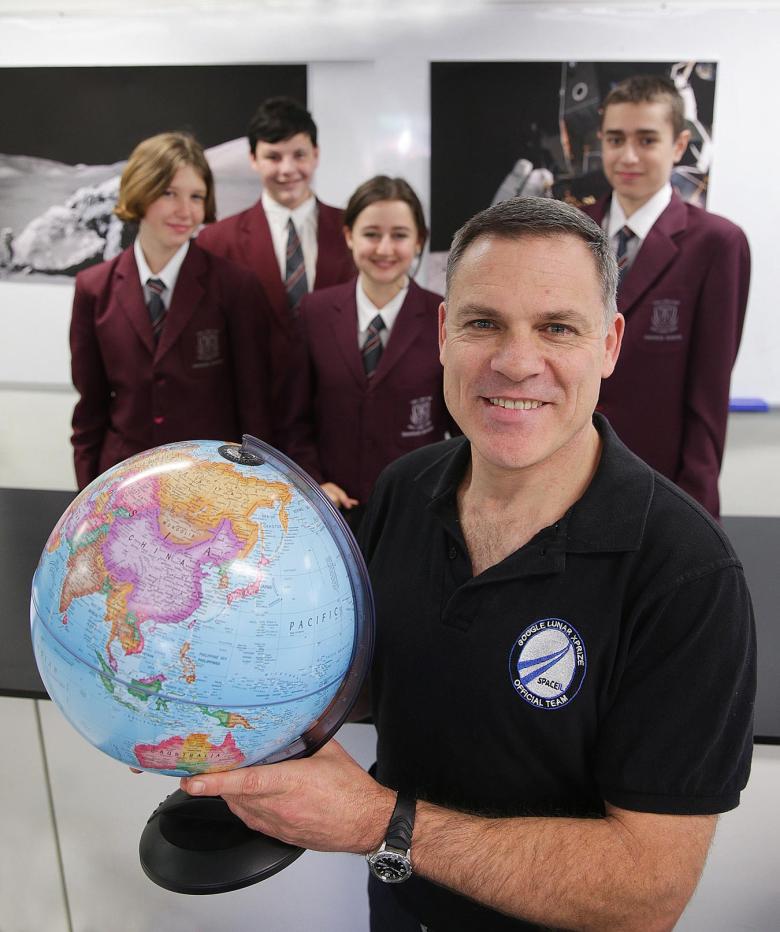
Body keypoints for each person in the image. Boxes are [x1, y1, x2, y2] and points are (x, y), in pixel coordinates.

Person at [179, 198, 755, 932]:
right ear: (445, 332)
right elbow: (376, 686)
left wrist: (380, 824)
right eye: (484, 322)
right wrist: (211, 699)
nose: (516, 363)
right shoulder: (406, 487)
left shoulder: (686, 576)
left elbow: (648, 890)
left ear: (609, 344)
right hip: (398, 910)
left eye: (557, 327)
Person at [581, 73, 750, 519]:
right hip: (560, 478)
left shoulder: (716, 243)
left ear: (678, 146)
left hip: (657, 487)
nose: (628, 155)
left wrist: (695, 511)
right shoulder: (568, 232)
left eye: (647, 140)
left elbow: (709, 393)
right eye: (615, 139)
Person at [70, 132, 273, 490]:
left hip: (211, 484)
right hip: (124, 485)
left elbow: (255, 408)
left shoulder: (235, 286)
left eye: (197, 197)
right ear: (141, 191)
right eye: (169, 193)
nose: (186, 211)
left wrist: (250, 489)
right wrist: (88, 497)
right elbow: (91, 411)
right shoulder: (93, 288)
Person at [284, 175, 455, 531]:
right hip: (329, 511)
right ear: (349, 236)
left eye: (400, 235)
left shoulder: (445, 317)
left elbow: (460, 427)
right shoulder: (314, 311)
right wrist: (314, 481)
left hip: (414, 511)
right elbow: (295, 419)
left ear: (419, 240)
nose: (385, 249)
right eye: (372, 234)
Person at [196, 97, 355, 433]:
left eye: (299, 155)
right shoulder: (216, 241)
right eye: (273, 156)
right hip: (248, 423)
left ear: (316, 154)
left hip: (334, 423)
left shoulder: (353, 233)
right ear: (253, 159)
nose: (287, 169)